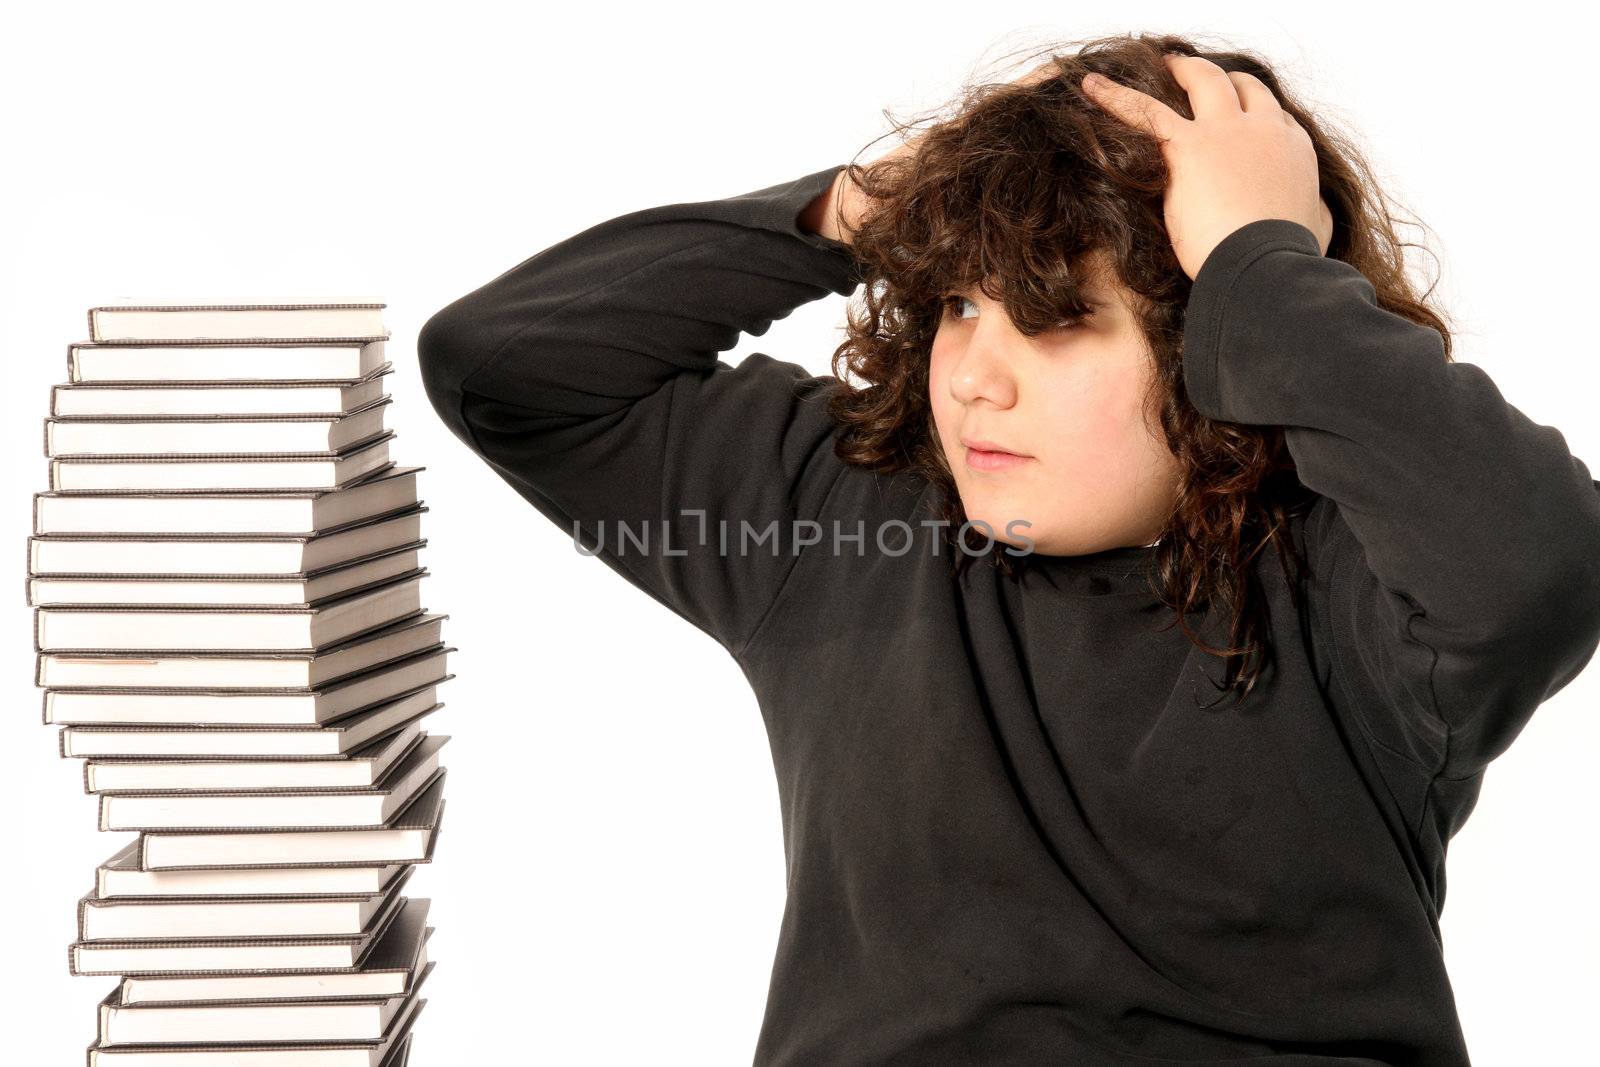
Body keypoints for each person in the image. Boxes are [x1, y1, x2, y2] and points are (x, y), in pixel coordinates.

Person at [415, 31, 1600, 1066]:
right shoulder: (847, 518)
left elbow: (1541, 558)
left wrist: (1258, 257)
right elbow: (504, 371)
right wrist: (870, 205)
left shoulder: (1359, 590)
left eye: (1059, 319)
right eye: (960, 305)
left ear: (1217, 345)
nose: (974, 378)